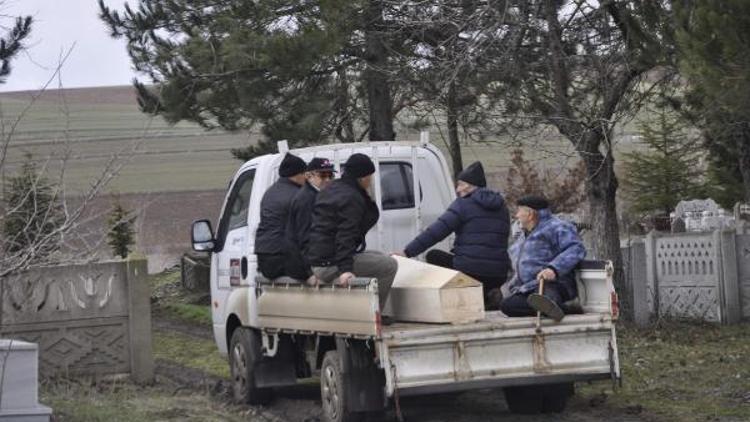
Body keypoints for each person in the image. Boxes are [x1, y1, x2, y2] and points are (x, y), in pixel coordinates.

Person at [396, 161, 510, 310]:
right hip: (499, 274)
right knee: (475, 263)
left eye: (461, 185)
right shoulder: (501, 206)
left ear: (470, 186)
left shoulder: (463, 204)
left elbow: (435, 232)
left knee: (434, 256)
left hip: (470, 272)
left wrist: (407, 252)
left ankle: (457, 298)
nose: (458, 189)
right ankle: (487, 294)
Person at [304, 153, 398, 313]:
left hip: (317, 259)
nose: (371, 181)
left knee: (378, 255)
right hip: (329, 263)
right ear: (362, 178)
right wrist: (345, 270)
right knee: (389, 265)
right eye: (370, 176)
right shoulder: (352, 197)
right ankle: (375, 314)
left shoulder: (332, 189)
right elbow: (345, 235)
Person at [500, 195, 586, 321]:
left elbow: (576, 249)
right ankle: (560, 309)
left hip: (553, 285)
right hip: (527, 288)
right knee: (507, 305)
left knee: (546, 298)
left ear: (530, 214)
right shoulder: (523, 236)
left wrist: (553, 269)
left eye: (519, 211)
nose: (516, 215)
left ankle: (558, 307)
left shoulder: (557, 227)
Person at [255, 152, 306, 279]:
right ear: (296, 175)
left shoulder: (270, 192)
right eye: (304, 173)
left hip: (265, 256)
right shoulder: (297, 195)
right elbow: (301, 233)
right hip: (283, 256)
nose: (306, 178)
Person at [285, 157, 336, 284]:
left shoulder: (319, 195)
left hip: (319, 260)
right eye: (323, 175)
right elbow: (303, 239)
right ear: (309, 176)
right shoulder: (307, 200)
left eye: (331, 175)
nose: (328, 180)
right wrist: (309, 274)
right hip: (311, 266)